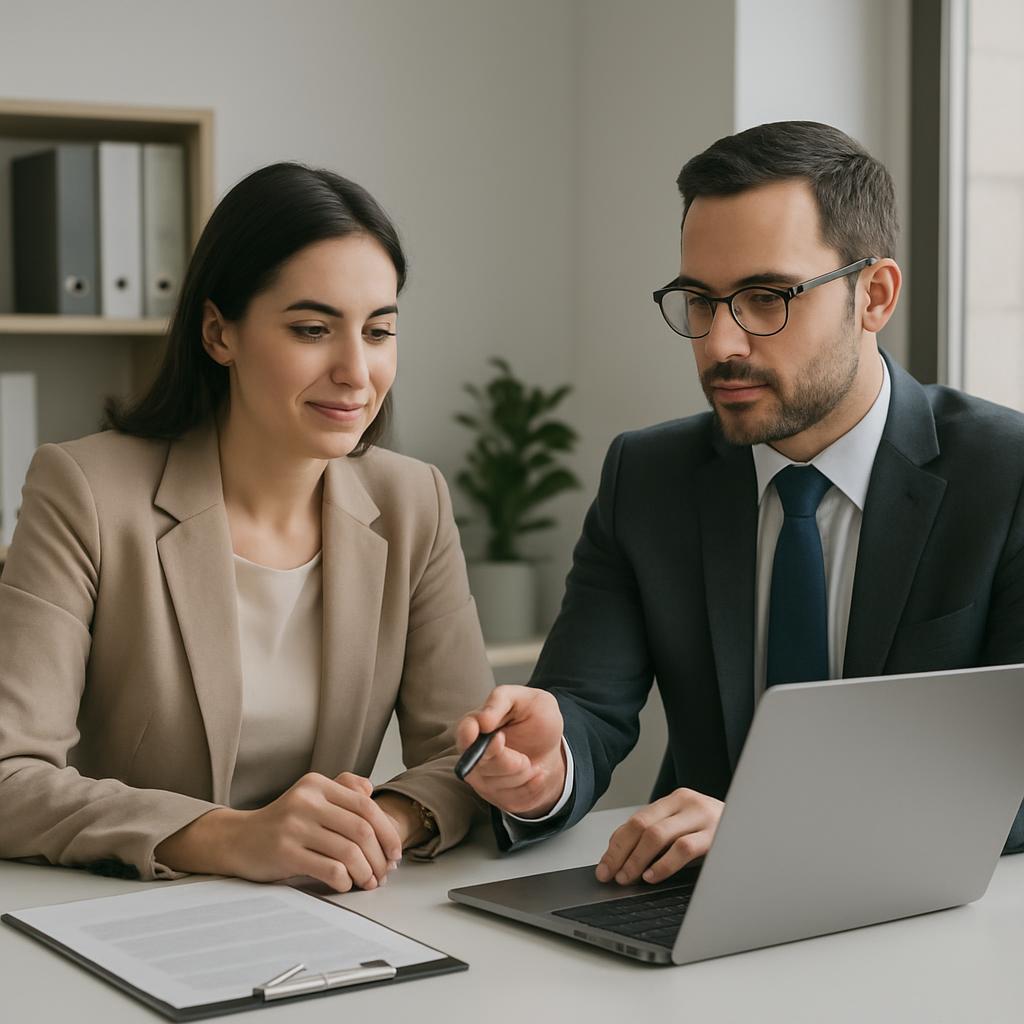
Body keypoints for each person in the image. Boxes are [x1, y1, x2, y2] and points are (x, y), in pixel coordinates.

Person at [456, 121, 1024, 885]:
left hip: (933, 915)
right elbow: (584, 708)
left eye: (764, 297)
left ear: (874, 296)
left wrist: (781, 834)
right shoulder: (647, 477)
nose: (721, 341)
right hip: (691, 905)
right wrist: (543, 770)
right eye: (699, 300)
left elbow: (1011, 782)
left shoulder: (1006, 474)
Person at [0, 163, 493, 891]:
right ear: (218, 332)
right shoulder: (86, 491)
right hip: (129, 917)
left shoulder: (413, 499)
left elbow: (466, 756)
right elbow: (9, 774)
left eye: (379, 331)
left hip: (334, 920)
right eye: (312, 329)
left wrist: (377, 825)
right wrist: (232, 838)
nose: (357, 371)